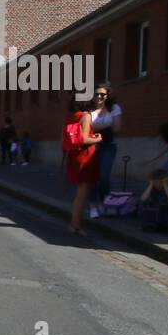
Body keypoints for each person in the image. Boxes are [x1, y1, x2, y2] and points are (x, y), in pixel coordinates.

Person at [63, 89, 103, 235]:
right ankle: (75, 225)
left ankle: (75, 224)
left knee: (80, 192)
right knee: (83, 193)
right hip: (85, 156)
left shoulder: (71, 116)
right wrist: (98, 138)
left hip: (74, 155)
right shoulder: (85, 116)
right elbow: (84, 139)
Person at [89, 84, 122, 218]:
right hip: (91, 145)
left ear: (107, 96)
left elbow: (117, 128)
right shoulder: (89, 109)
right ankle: (92, 206)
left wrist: (96, 126)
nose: (99, 97)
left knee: (103, 176)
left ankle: (103, 203)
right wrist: (108, 124)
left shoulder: (114, 108)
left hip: (108, 146)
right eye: (97, 94)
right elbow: (85, 128)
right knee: (92, 178)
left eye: (103, 94)